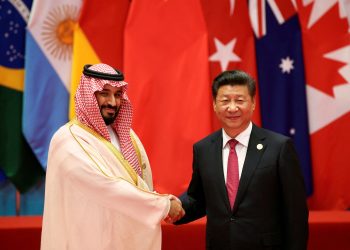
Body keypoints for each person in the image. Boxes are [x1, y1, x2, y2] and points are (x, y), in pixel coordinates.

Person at [41, 63, 184, 250]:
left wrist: (162, 202)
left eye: (117, 94)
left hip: (124, 240)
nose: (113, 102)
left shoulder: (127, 136)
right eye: (104, 93)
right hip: (85, 240)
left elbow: (141, 183)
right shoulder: (67, 139)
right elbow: (105, 186)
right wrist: (162, 205)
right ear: (89, 95)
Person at [176, 70, 308, 249]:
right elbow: (198, 198)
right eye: (224, 101)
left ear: (253, 103)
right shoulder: (203, 149)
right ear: (214, 104)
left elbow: (296, 213)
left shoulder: (279, 147)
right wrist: (170, 207)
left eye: (239, 100)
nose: (232, 108)